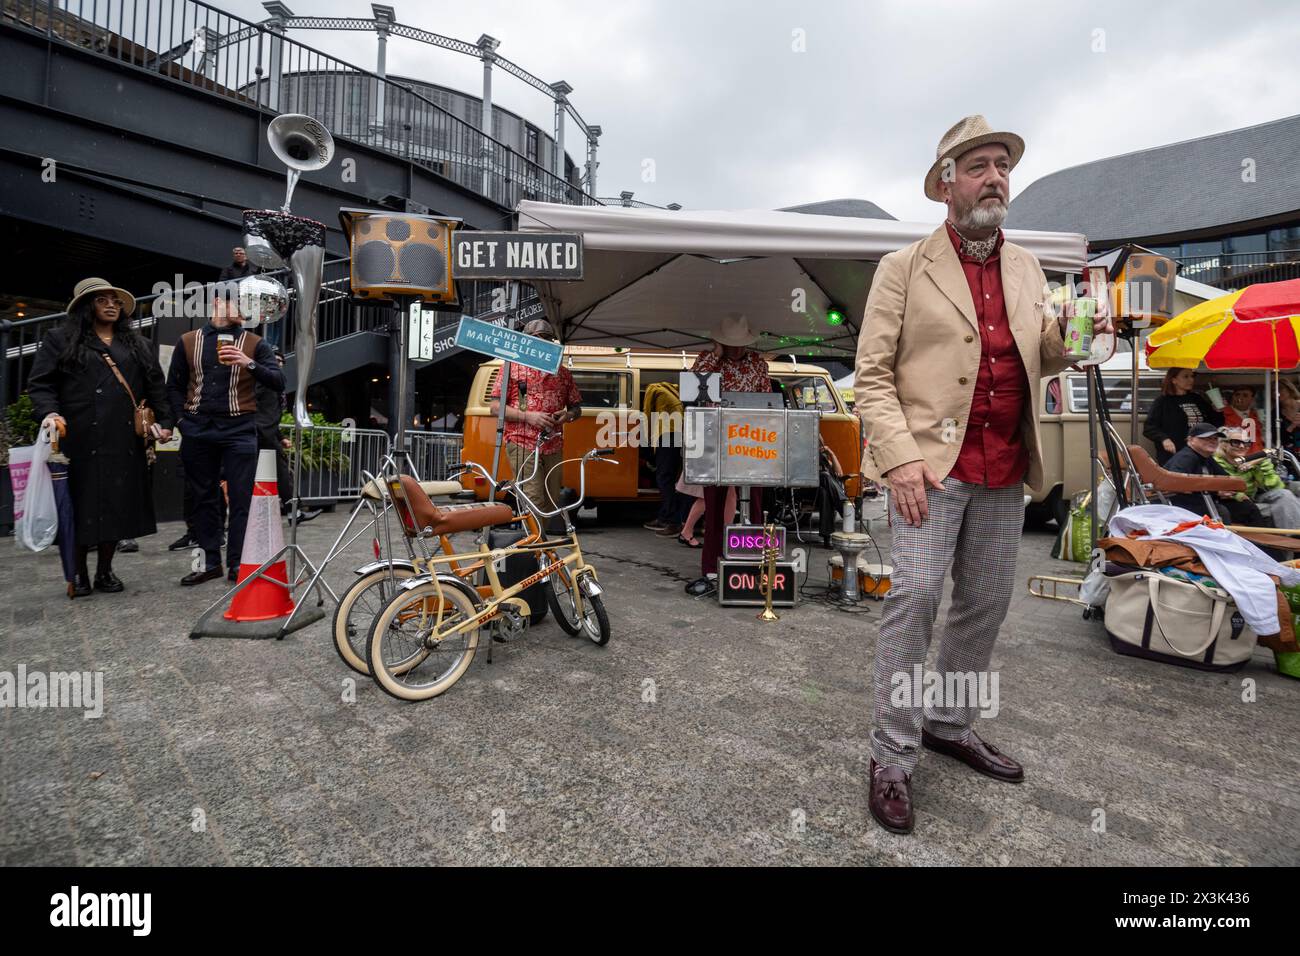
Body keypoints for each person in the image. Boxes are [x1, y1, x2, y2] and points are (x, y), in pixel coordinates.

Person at [853, 115, 1112, 835]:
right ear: (946, 184)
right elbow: (870, 377)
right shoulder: (903, 267)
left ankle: (948, 722)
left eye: (1002, 164)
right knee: (915, 598)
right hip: (929, 470)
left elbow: (1039, 352)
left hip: (1004, 465)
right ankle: (892, 752)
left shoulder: (1028, 267)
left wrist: (1082, 339)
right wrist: (900, 457)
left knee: (986, 604)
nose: (995, 176)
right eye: (978, 166)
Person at [28, 278, 173, 597]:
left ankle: (105, 571)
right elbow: (41, 384)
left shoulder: (139, 344)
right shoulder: (60, 339)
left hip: (124, 438)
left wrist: (165, 422)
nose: (111, 304)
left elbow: (156, 388)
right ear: (85, 306)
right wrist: (50, 412)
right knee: (81, 505)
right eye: (101, 300)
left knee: (116, 503)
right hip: (79, 435)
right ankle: (78, 573)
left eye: (115, 300)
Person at [167, 282, 284, 585]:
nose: (247, 309)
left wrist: (250, 363)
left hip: (239, 429)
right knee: (203, 498)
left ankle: (237, 565)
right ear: (219, 302)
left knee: (242, 500)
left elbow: (278, 381)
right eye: (241, 303)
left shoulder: (256, 344)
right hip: (198, 429)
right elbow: (175, 386)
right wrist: (181, 420)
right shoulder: (189, 340)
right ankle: (209, 564)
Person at [683, 313, 773, 597]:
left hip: (751, 442)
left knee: (755, 505)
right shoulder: (707, 360)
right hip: (715, 443)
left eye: (738, 344)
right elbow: (690, 393)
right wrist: (716, 355)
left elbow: (768, 399)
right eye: (728, 344)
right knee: (713, 504)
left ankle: (756, 562)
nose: (735, 349)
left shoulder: (758, 363)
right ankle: (710, 565)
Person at [487, 318, 582, 525]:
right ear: (526, 341)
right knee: (534, 497)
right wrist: (529, 416)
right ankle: (536, 549)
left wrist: (568, 415)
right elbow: (495, 407)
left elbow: (577, 408)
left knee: (552, 499)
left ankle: (539, 544)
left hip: (553, 443)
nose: (542, 342)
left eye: (546, 338)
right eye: (536, 338)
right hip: (522, 441)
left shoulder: (563, 373)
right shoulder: (511, 368)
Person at [255, 348, 318, 523]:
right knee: (281, 472)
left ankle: (293, 512)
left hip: (266, 434)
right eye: (274, 359)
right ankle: (293, 512)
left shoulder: (276, 382)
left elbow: (271, 414)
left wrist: (280, 436)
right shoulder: (262, 381)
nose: (277, 363)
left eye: (280, 361)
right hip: (260, 434)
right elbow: (256, 408)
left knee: (281, 472)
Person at [1164, 423, 1270, 527]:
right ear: (1191, 440)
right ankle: (1226, 542)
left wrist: (1248, 464)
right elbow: (1176, 483)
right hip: (1180, 504)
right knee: (1222, 511)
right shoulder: (1186, 457)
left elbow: (1228, 479)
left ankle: (1262, 542)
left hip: (1205, 500)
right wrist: (1216, 491)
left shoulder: (1207, 458)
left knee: (1247, 508)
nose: (1212, 441)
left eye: (1215, 439)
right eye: (1206, 438)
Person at [1214, 428, 1300, 530]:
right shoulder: (1216, 462)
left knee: (1285, 495)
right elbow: (1219, 486)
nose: (1242, 446)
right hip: (1232, 503)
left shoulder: (1251, 461)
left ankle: (1294, 536)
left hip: (1253, 497)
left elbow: (1276, 487)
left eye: (1246, 443)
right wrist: (1238, 495)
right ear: (1224, 444)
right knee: (1282, 507)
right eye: (1236, 442)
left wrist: (1263, 465)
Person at [1143, 368, 1223, 465]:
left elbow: (1215, 424)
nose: (1191, 380)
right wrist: (1164, 439)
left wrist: (1218, 411)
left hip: (1201, 451)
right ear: (1174, 380)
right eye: (1186, 376)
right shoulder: (1163, 401)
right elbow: (1149, 427)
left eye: (1192, 376)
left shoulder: (1196, 398)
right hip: (1175, 453)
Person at [641, 380, 687, 538]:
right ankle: (664, 516)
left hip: (667, 434)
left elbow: (646, 414)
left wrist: (644, 443)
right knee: (670, 477)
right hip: (679, 433)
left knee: (663, 478)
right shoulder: (675, 391)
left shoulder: (652, 388)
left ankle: (674, 522)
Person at [1222, 385, 1265, 454]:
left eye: (1245, 395)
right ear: (1233, 396)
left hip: (1256, 457)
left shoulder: (1258, 415)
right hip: (1232, 457)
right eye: (1237, 394)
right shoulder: (1222, 413)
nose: (1240, 397)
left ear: (1252, 399)